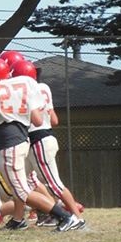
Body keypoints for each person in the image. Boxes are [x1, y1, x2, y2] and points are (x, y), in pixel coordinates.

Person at [0, 57, 83, 234]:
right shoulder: (22, 87)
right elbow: (37, 119)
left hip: (10, 144)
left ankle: (66, 217)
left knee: (22, 191)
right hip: (5, 143)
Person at [20, 62, 85, 227]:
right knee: (23, 181)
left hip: (38, 139)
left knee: (54, 183)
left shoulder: (25, 90)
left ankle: (77, 218)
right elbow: (54, 120)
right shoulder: (43, 88)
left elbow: (37, 120)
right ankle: (39, 214)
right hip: (44, 137)